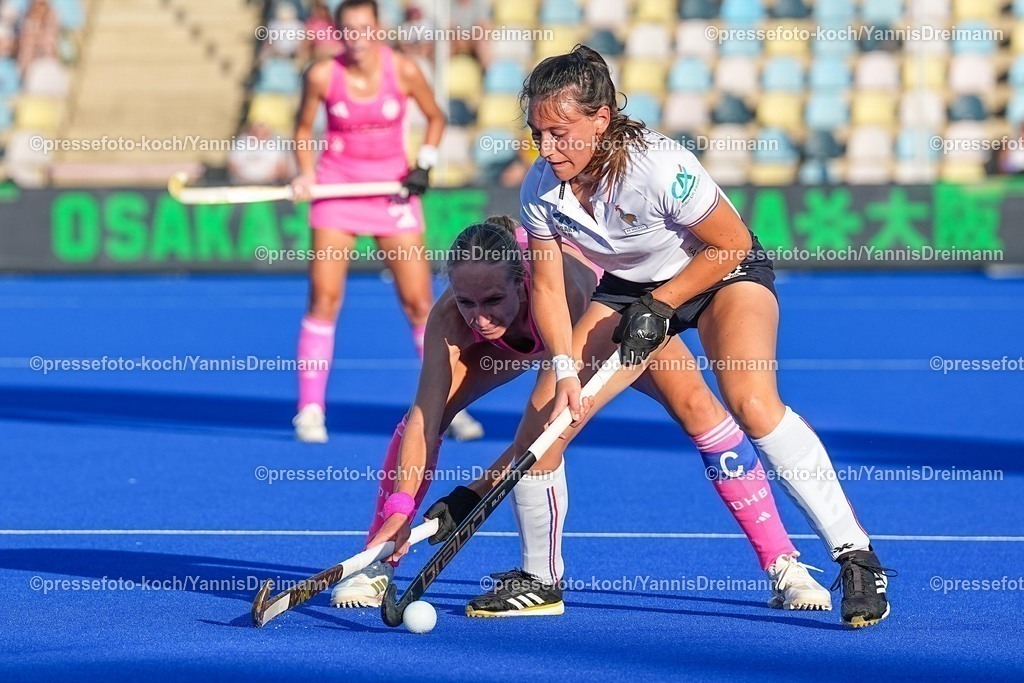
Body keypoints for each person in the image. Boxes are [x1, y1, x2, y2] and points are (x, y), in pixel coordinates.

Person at [421, 46, 895, 628]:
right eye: (538, 133)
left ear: (601, 118)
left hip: (720, 271)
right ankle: (540, 580)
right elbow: (546, 288)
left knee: (751, 403)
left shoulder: (657, 166)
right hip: (628, 290)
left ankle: (855, 554)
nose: (547, 148)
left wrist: (663, 305)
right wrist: (567, 366)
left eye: (560, 132)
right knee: (549, 422)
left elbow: (731, 244)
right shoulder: (540, 186)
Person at [331, 216, 830, 616]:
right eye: (466, 301)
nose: (480, 318)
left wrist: (470, 497)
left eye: (493, 301)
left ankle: (785, 566)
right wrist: (401, 513)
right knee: (424, 416)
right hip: (542, 343)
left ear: (524, 284)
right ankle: (378, 558)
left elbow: (548, 432)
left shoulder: (561, 292)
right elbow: (423, 420)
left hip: (606, 320)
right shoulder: (450, 322)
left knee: (699, 409)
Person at [290, 0, 481, 443]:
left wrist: (425, 163)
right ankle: (310, 409)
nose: (357, 37)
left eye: (365, 28)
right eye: (348, 30)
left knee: (420, 303)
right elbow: (302, 130)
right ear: (338, 33)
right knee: (324, 298)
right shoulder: (321, 75)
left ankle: (448, 405)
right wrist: (304, 173)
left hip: (392, 194)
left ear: (378, 29)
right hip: (336, 193)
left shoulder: (405, 70)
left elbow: (435, 117)